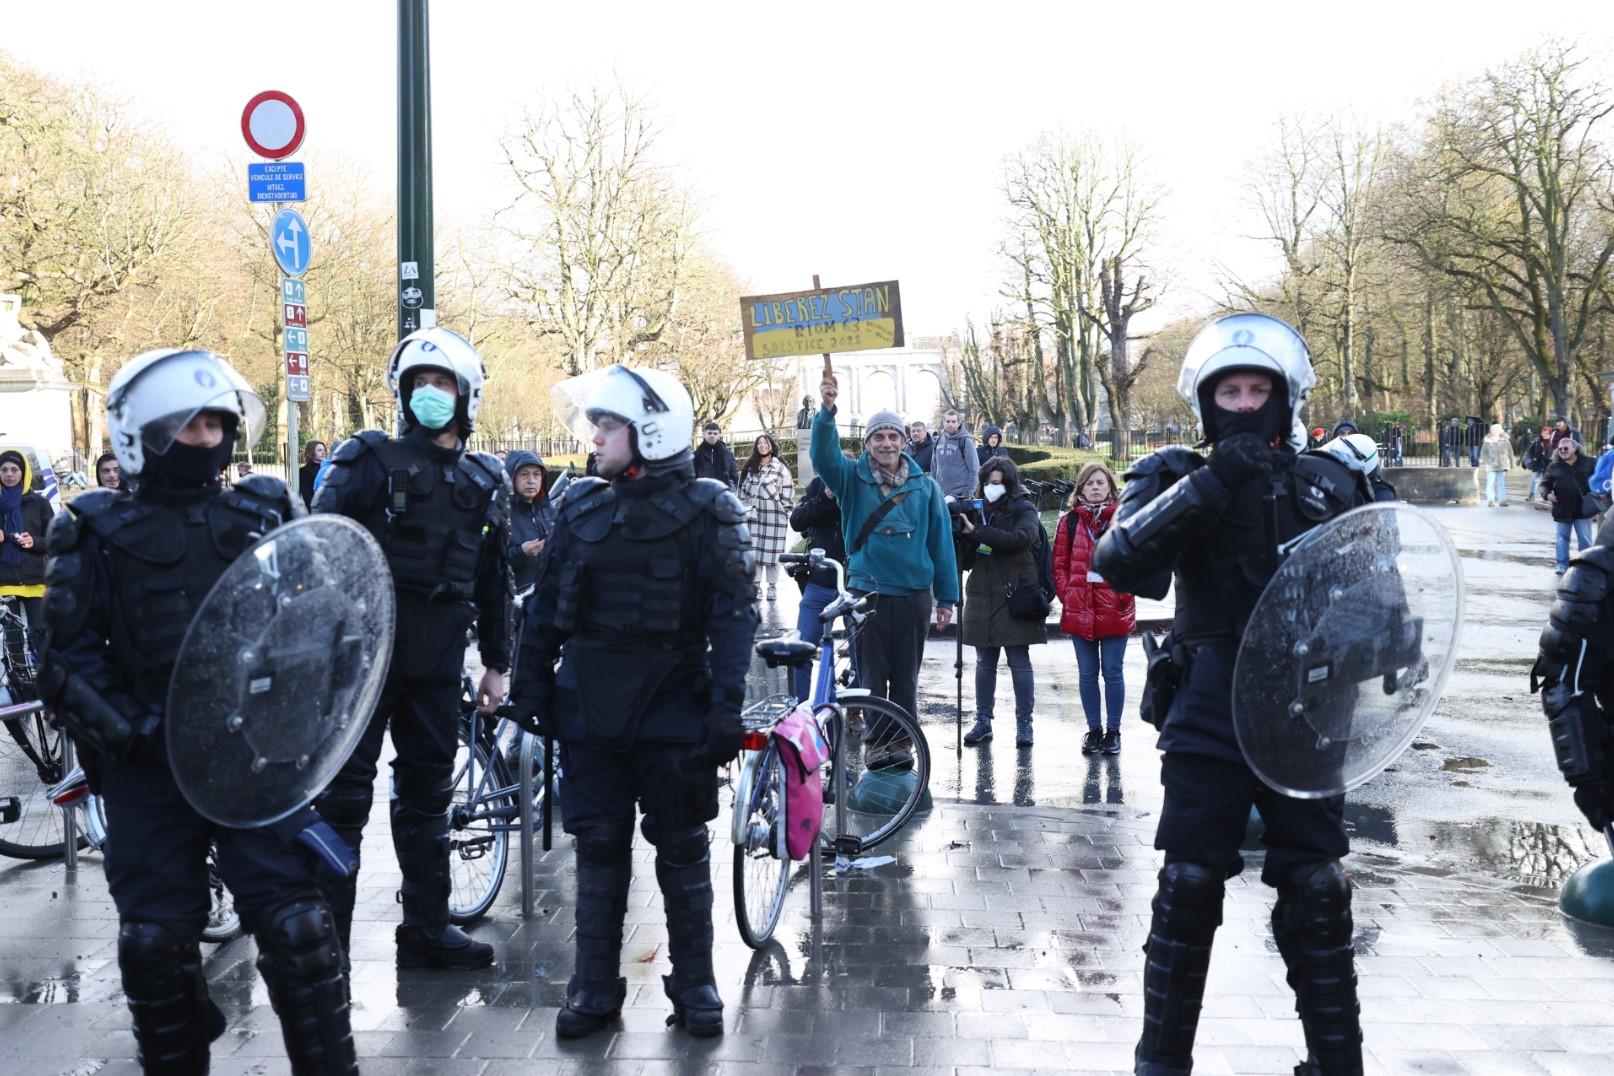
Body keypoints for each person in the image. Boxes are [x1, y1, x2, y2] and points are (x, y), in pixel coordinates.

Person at [37, 348, 356, 1074]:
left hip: (253, 754)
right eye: (188, 425)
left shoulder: (266, 508)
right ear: (139, 434)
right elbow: (68, 664)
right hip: (149, 762)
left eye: (217, 422)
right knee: (154, 942)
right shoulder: (90, 529)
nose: (207, 438)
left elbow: (321, 619)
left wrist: (302, 704)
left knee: (299, 925)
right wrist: (139, 734)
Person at [1092, 312, 1384, 1076]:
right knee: (1189, 884)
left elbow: (1389, 601)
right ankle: (1161, 1063)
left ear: (1285, 397)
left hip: (1309, 709)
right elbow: (1118, 562)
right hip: (1210, 701)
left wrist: (1367, 631)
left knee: (1318, 888)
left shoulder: (1332, 480)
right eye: (1232, 390)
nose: (1246, 403)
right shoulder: (1176, 474)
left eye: (1260, 390)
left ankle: (1337, 1063)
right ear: (1208, 399)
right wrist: (1214, 483)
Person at [508, 364, 756, 1040]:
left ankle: (697, 984)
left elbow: (735, 617)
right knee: (598, 845)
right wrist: (530, 685)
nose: (595, 436)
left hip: (674, 700)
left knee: (680, 845)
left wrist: (726, 706)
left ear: (649, 430)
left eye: (606, 424)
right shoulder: (581, 505)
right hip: (588, 701)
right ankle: (592, 985)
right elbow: (547, 611)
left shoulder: (710, 509)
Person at [311, 326, 512, 970]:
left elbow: (493, 580)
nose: (429, 394)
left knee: (428, 797)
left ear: (468, 394)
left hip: (437, 658)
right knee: (342, 800)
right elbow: (318, 549)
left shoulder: (486, 479)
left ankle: (426, 928)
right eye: (418, 383)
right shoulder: (365, 459)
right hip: (361, 657)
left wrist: (498, 664)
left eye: (442, 383)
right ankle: (328, 947)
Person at [810, 388, 957, 729]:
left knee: (906, 678)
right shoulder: (850, 478)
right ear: (867, 444)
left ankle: (903, 742)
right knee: (871, 677)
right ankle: (877, 744)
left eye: (893, 436)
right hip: (866, 592)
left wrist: (947, 596)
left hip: (913, 593)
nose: (887, 443)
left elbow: (941, 543)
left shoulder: (926, 487)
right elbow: (823, 456)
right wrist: (827, 411)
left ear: (905, 442)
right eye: (878, 437)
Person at [957, 457, 1044, 747]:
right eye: (987, 483)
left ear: (1008, 483)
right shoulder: (975, 510)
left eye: (997, 483)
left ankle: (1025, 724)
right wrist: (962, 537)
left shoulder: (1024, 507)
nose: (991, 488)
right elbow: (968, 558)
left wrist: (979, 533)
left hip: (1015, 591)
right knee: (984, 663)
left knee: (1019, 662)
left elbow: (1021, 538)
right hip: (982, 592)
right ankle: (983, 721)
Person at [1053, 462, 1134, 756]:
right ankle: (1094, 729)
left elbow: (1135, 562)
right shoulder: (1069, 522)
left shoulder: (1124, 519)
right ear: (1081, 489)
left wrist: (1123, 593)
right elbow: (1059, 564)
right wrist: (1067, 594)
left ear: (1110, 487)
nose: (1096, 487)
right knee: (1087, 673)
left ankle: (1113, 731)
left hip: (1115, 606)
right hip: (1080, 607)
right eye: (1089, 483)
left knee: (1113, 672)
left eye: (1101, 482)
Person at [788, 473, 845, 702]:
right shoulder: (819, 485)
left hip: (855, 583)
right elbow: (797, 520)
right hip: (819, 582)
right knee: (801, 647)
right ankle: (798, 709)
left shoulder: (862, 484)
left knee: (865, 651)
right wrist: (826, 497)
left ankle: (855, 705)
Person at [0, 449, 51, 656]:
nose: (9, 474)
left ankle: (45, 681)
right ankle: (18, 684)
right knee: (12, 642)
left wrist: (35, 541)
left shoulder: (40, 503)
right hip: (5, 582)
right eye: (4, 469)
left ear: (24, 473)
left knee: (40, 637)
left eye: (14, 469)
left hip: (35, 580)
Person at [738, 433, 795, 601]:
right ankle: (755, 585)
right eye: (759, 443)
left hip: (774, 517)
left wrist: (784, 511)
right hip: (752, 516)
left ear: (771, 446)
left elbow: (787, 493)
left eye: (765, 443)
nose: (762, 445)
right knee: (753, 551)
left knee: (773, 553)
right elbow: (741, 492)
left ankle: (772, 586)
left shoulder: (780, 469)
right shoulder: (749, 467)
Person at [1541, 438, 1597, 575]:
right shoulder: (1554, 467)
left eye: (1566, 448)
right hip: (1562, 507)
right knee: (1562, 538)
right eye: (1560, 449)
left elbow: (1599, 479)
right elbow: (1544, 484)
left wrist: (1598, 495)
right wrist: (1547, 494)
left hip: (1583, 508)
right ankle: (1562, 565)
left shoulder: (1589, 462)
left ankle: (1584, 565)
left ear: (1575, 449)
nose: (1562, 451)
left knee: (1585, 538)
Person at [505, 450, 555, 592]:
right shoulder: (500, 514)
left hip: (543, 601)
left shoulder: (548, 512)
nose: (531, 480)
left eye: (536, 474)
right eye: (524, 474)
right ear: (512, 477)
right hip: (511, 601)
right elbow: (487, 564)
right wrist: (521, 553)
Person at [931, 408, 980, 498]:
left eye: (953, 421)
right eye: (948, 421)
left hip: (960, 496)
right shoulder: (938, 441)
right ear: (944, 423)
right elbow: (934, 468)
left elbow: (974, 470)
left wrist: (967, 494)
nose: (950, 424)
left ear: (958, 423)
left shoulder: (966, 442)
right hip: (941, 495)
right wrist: (934, 490)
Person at [692, 421, 739, 489]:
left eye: (715, 433)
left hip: (723, 493)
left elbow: (735, 476)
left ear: (719, 435)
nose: (712, 436)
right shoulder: (696, 455)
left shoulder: (728, 454)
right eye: (709, 433)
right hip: (703, 493)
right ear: (704, 434)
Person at [1479, 422, 1516, 506]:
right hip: (1491, 465)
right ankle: (1490, 500)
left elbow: (1510, 452)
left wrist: (1512, 464)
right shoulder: (1487, 441)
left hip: (1502, 464)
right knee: (1490, 483)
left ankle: (1502, 500)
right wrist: (1489, 461)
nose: (1494, 431)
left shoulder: (1505, 441)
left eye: (1496, 430)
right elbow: (1483, 454)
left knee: (1501, 483)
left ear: (1500, 431)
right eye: (1493, 430)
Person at [1525, 425, 1553, 500]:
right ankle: (1532, 495)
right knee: (1534, 480)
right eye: (1543, 433)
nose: (1544, 435)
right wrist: (1533, 457)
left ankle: (1545, 495)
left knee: (1545, 481)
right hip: (1537, 463)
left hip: (1547, 464)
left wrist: (1550, 458)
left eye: (1546, 433)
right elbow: (1530, 451)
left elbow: (1555, 453)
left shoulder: (1552, 442)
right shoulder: (1537, 441)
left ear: (1550, 434)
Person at [297, 440, 326, 509]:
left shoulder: (328, 468)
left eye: (324, 450)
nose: (323, 452)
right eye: (319, 450)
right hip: (316, 509)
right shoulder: (304, 471)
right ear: (311, 452)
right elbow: (307, 496)